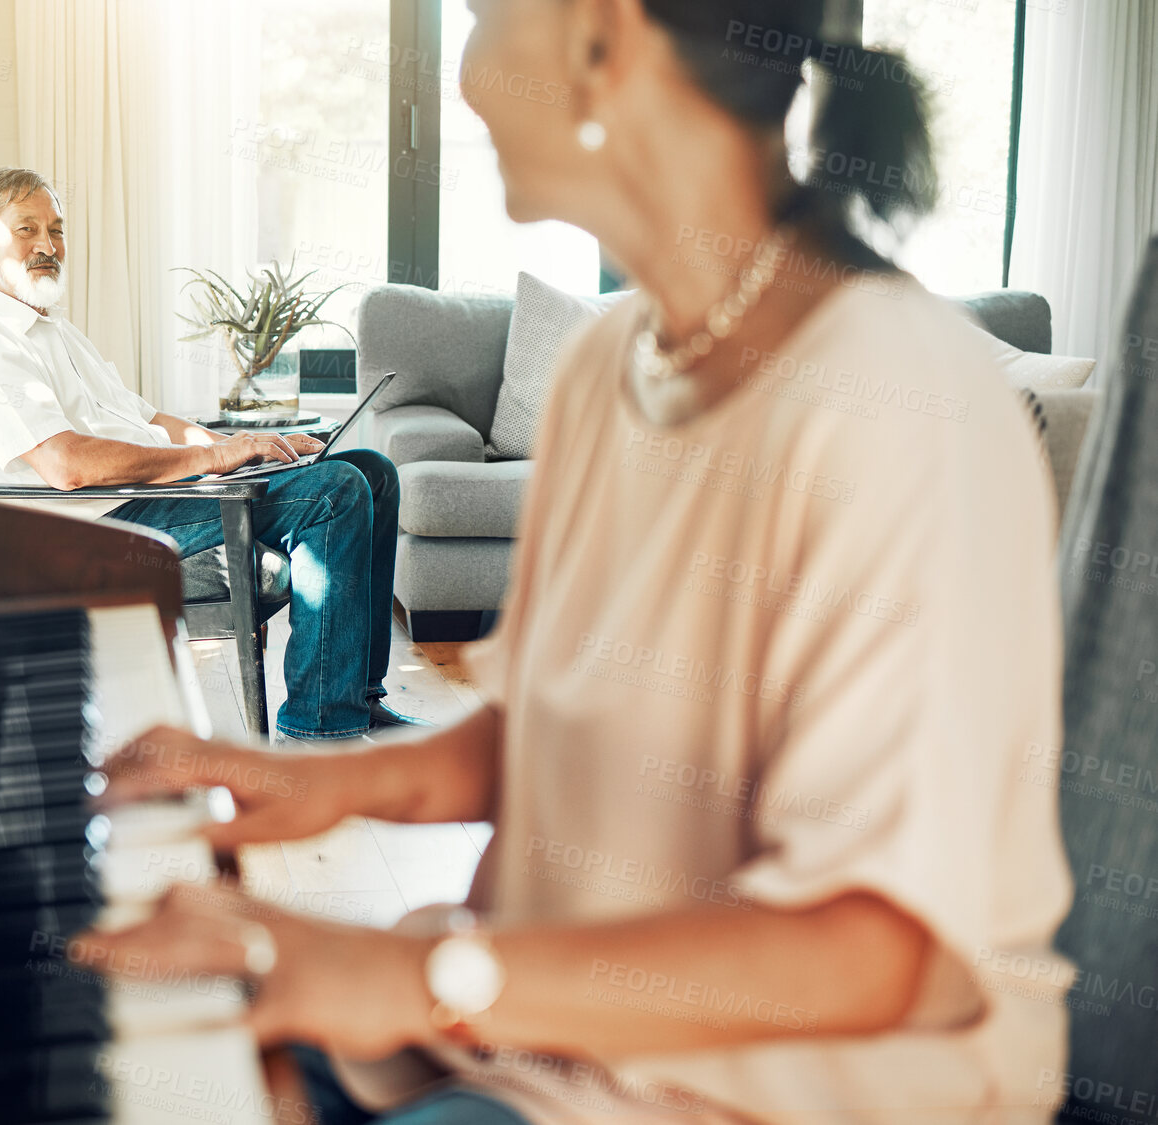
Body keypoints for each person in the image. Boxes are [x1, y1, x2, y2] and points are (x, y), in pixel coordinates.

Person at [74, 0, 1074, 1122]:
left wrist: (412, 978)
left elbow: (873, 953)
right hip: (537, 1039)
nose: (464, 67)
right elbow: (549, 733)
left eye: (483, 13)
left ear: (602, 38)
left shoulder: (901, 403)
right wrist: (308, 781)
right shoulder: (609, 363)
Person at [0, 167, 424, 742]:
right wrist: (212, 462)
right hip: (99, 520)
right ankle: (321, 720)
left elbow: (146, 420)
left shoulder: (55, 331)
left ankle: (361, 698)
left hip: (154, 493)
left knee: (373, 471)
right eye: (26, 229)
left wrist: (244, 449)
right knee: (334, 491)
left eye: (56, 229)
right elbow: (65, 465)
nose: (48, 246)